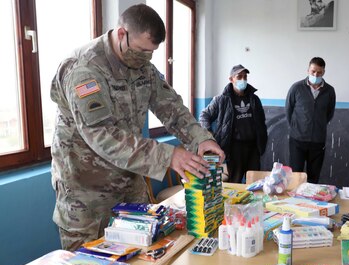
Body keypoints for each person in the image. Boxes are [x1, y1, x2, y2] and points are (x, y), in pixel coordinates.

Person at [50, 4, 224, 251]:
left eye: (151, 52)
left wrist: (200, 139)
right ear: (122, 34)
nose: (145, 58)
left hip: (129, 181)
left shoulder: (143, 67)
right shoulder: (84, 69)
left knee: (140, 258)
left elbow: (171, 107)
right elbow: (102, 135)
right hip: (87, 193)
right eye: (142, 50)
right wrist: (168, 155)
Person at [199, 65, 268, 183]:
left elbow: (261, 122)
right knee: (234, 182)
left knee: (254, 182)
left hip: (253, 148)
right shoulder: (221, 100)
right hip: (234, 148)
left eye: (245, 77)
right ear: (231, 79)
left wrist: (262, 141)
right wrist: (208, 134)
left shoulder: (254, 99)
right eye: (239, 77)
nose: (243, 80)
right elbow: (204, 115)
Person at [285, 57, 336, 183]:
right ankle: (294, 202)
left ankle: (310, 202)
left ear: (323, 72)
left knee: (313, 178)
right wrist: (298, 128)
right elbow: (288, 110)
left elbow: (329, 114)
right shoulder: (296, 88)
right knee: (295, 176)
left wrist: (318, 126)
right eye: (313, 71)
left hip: (318, 141)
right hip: (297, 140)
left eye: (319, 72)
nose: (315, 74)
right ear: (308, 70)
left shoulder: (330, 91)